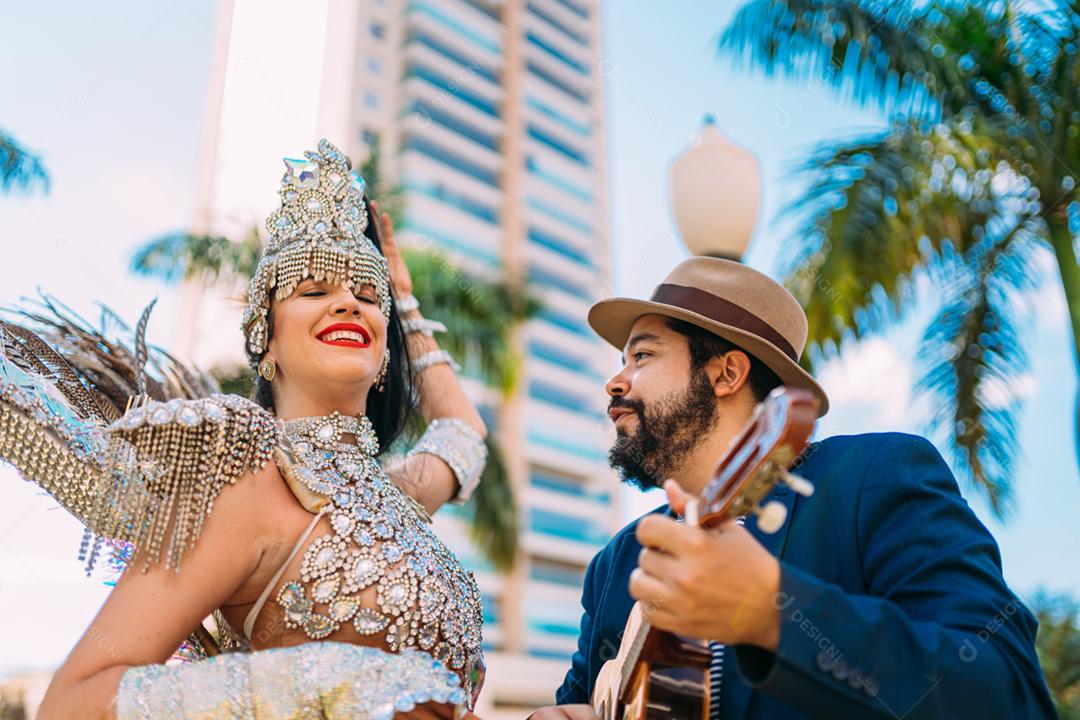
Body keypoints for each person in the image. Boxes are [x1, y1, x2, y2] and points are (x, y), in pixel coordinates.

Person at [0, 139, 488, 719]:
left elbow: (463, 434)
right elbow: (72, 702)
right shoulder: (245, 477)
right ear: (266, 340)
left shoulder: (396, 495)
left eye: (365, 294)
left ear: (384, 355)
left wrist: (404, 306)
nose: (349, 306)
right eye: (313, 291)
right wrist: (328, 679)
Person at [530, 257, 1056, 719]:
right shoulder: (616, 563)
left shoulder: (872, 475)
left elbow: (1007, 692)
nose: (615, 381)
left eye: (641, 356)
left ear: (726, 373)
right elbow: (576, 700)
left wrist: (769, 611)